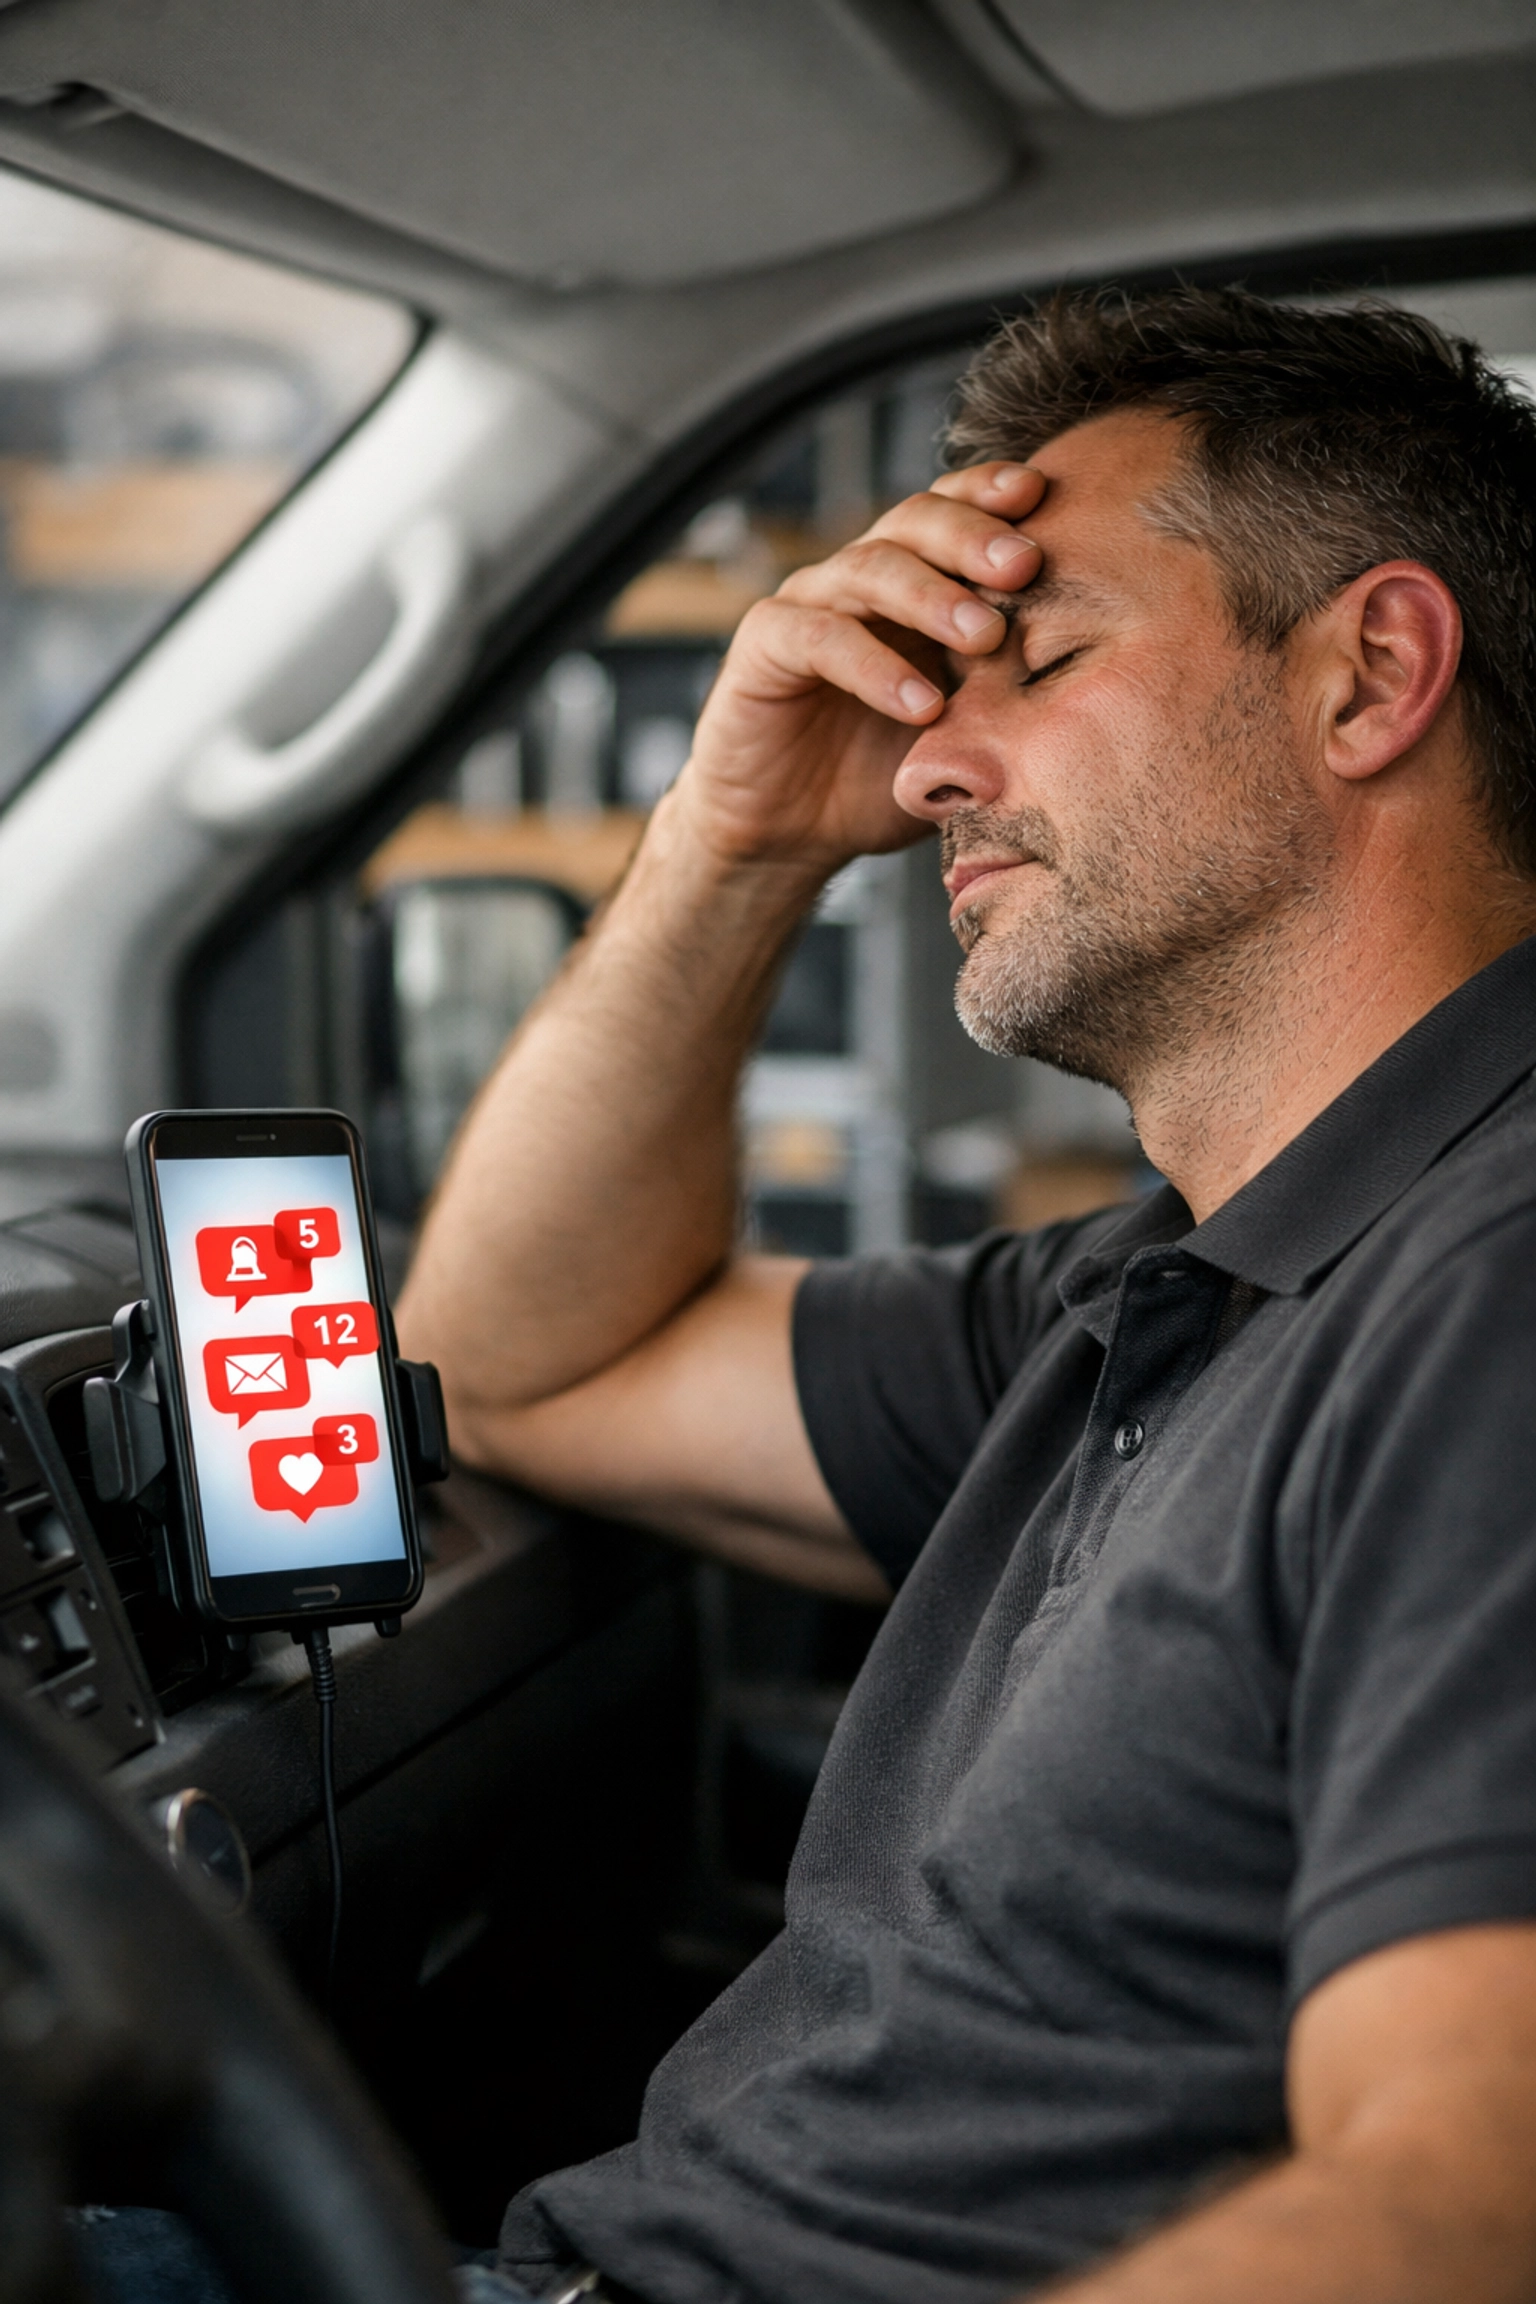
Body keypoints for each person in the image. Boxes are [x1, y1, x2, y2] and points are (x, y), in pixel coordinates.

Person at [78, 286, 1536, 2304]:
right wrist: (738, 832)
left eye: (1038, 658)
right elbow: (519, 1363)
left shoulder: (1487, 1304)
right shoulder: (1174, 1282)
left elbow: (1464, 2215)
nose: (928, 766)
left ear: (1368, 677)